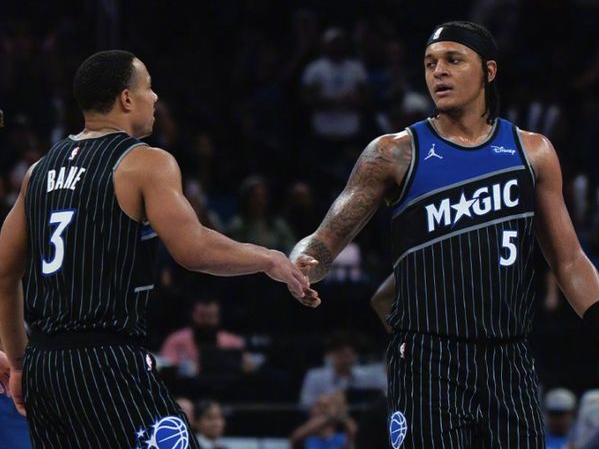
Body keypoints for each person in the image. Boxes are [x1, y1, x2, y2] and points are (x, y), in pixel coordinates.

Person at [290, 21, 599, 448]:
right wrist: (302, 263)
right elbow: (323, 240)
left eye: (453, 60)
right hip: (428, 359)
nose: (438, 71)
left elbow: (569, 260)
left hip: (509, 358)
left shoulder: (532, 152)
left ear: (489, 71)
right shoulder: (393, 152)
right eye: (430, 63)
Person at [0, 50, 313, 449]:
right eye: (148, 87)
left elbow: (4, 274)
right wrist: (269, 258)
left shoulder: (38, 172)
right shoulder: (144, 163)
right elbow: (193, 248)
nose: (155, 97)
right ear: (126, 99)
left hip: (46, 366)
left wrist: (20, 364)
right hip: (107, 363)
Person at [299, 329, 387, 408]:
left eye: (347, 355)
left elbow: (383, 394)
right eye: (339, 355)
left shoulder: (368, 375)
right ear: (329, 355)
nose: (344, 360)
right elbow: (305, 404)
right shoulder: (315, 376)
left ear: (355, 355)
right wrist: (325, 403)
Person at [290, 391, 358, 449]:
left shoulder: (342, 439)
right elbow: (296, 437)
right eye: (318, 405)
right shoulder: (305, 438)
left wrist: (341, 413)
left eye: (325, 407)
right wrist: (329, 416)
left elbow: (354, 432)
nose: (322, 410)